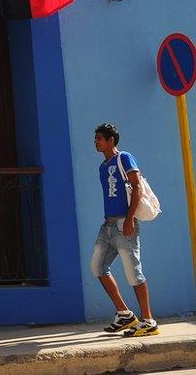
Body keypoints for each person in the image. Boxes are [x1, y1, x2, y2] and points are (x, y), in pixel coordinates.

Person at [91, 123, 159, 336]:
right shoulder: (103, 167)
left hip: (124, 224)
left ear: (111, 140)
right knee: (98, 267)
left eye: (99, 138)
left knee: (133, 272)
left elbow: (136, 186)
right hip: (108, 225)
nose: (96, 142)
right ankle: (124, 314)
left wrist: (129, 219)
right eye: (96, 138)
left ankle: (148, 321)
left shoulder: (125, 158)